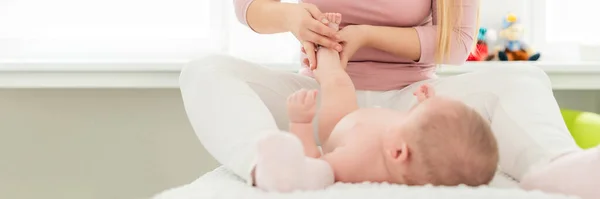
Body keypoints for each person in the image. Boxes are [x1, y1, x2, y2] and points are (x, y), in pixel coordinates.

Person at [180, 0, 599, 198]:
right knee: (205, 71)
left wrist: (364, 36)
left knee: (524, 76)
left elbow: (456, 42)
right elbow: (246, 6)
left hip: (410, 104)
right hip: (321, 93)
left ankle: (552, 165)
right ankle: (272, 166)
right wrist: (293, 18)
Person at [253, 13, 499, 192]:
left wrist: (301, 123)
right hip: (380, 109)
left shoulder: (352, 162)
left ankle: (325, 41)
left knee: (336, 81)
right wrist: (423, 105)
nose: (406, 115)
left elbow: (312, 164)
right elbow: (420, 131)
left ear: (397, 152)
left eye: (411, 117)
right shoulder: (410, 145)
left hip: (342, 122)